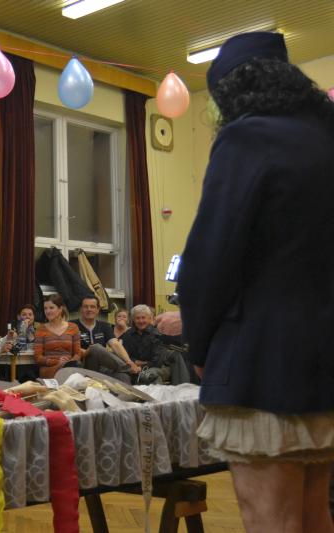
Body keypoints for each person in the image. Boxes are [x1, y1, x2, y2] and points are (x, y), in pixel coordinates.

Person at [178, 31, 334, 533]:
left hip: (262, 365)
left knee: (271, 521)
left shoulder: (246, 138)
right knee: (315, 515)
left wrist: (199, 344)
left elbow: (211, 255)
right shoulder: (326, 138)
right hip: (324, 363)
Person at [70, 296, 136, 383]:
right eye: (86, 307)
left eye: (92, 307)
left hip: (101, 367)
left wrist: (129, 361)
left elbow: (115, 344)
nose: (89, 309)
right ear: (81, 309)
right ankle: (128, 369)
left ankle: (129, 390)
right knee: (95, 348)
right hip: (82, 365)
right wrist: (87, 351)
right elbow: (70, 347)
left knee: (122, 375)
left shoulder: (104, 326)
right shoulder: (71, 325)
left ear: (98, 310)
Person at [119, 305, 187, 384]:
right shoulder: (127, 335)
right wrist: (134, 362)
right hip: (132, 367)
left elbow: (157, 361)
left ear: (149, 318)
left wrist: (140, 366)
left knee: (150, 375)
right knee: (120, 375)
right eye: (137, 318)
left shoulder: (157, 334)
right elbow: (123, 355)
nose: (141, 321)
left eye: (143, 318)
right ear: (133, 319)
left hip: (158, 367)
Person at [33, 294, 80, 379]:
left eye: (51, 308)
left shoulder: (73, 327)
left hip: (69, 366)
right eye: (45, 308)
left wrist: (69, 362)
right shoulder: (41, 329)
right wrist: (57, 362)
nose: (47, 311)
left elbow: (77, 354)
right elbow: (37, 357)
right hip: (49, 369)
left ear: (60, 309)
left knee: (75, 369)